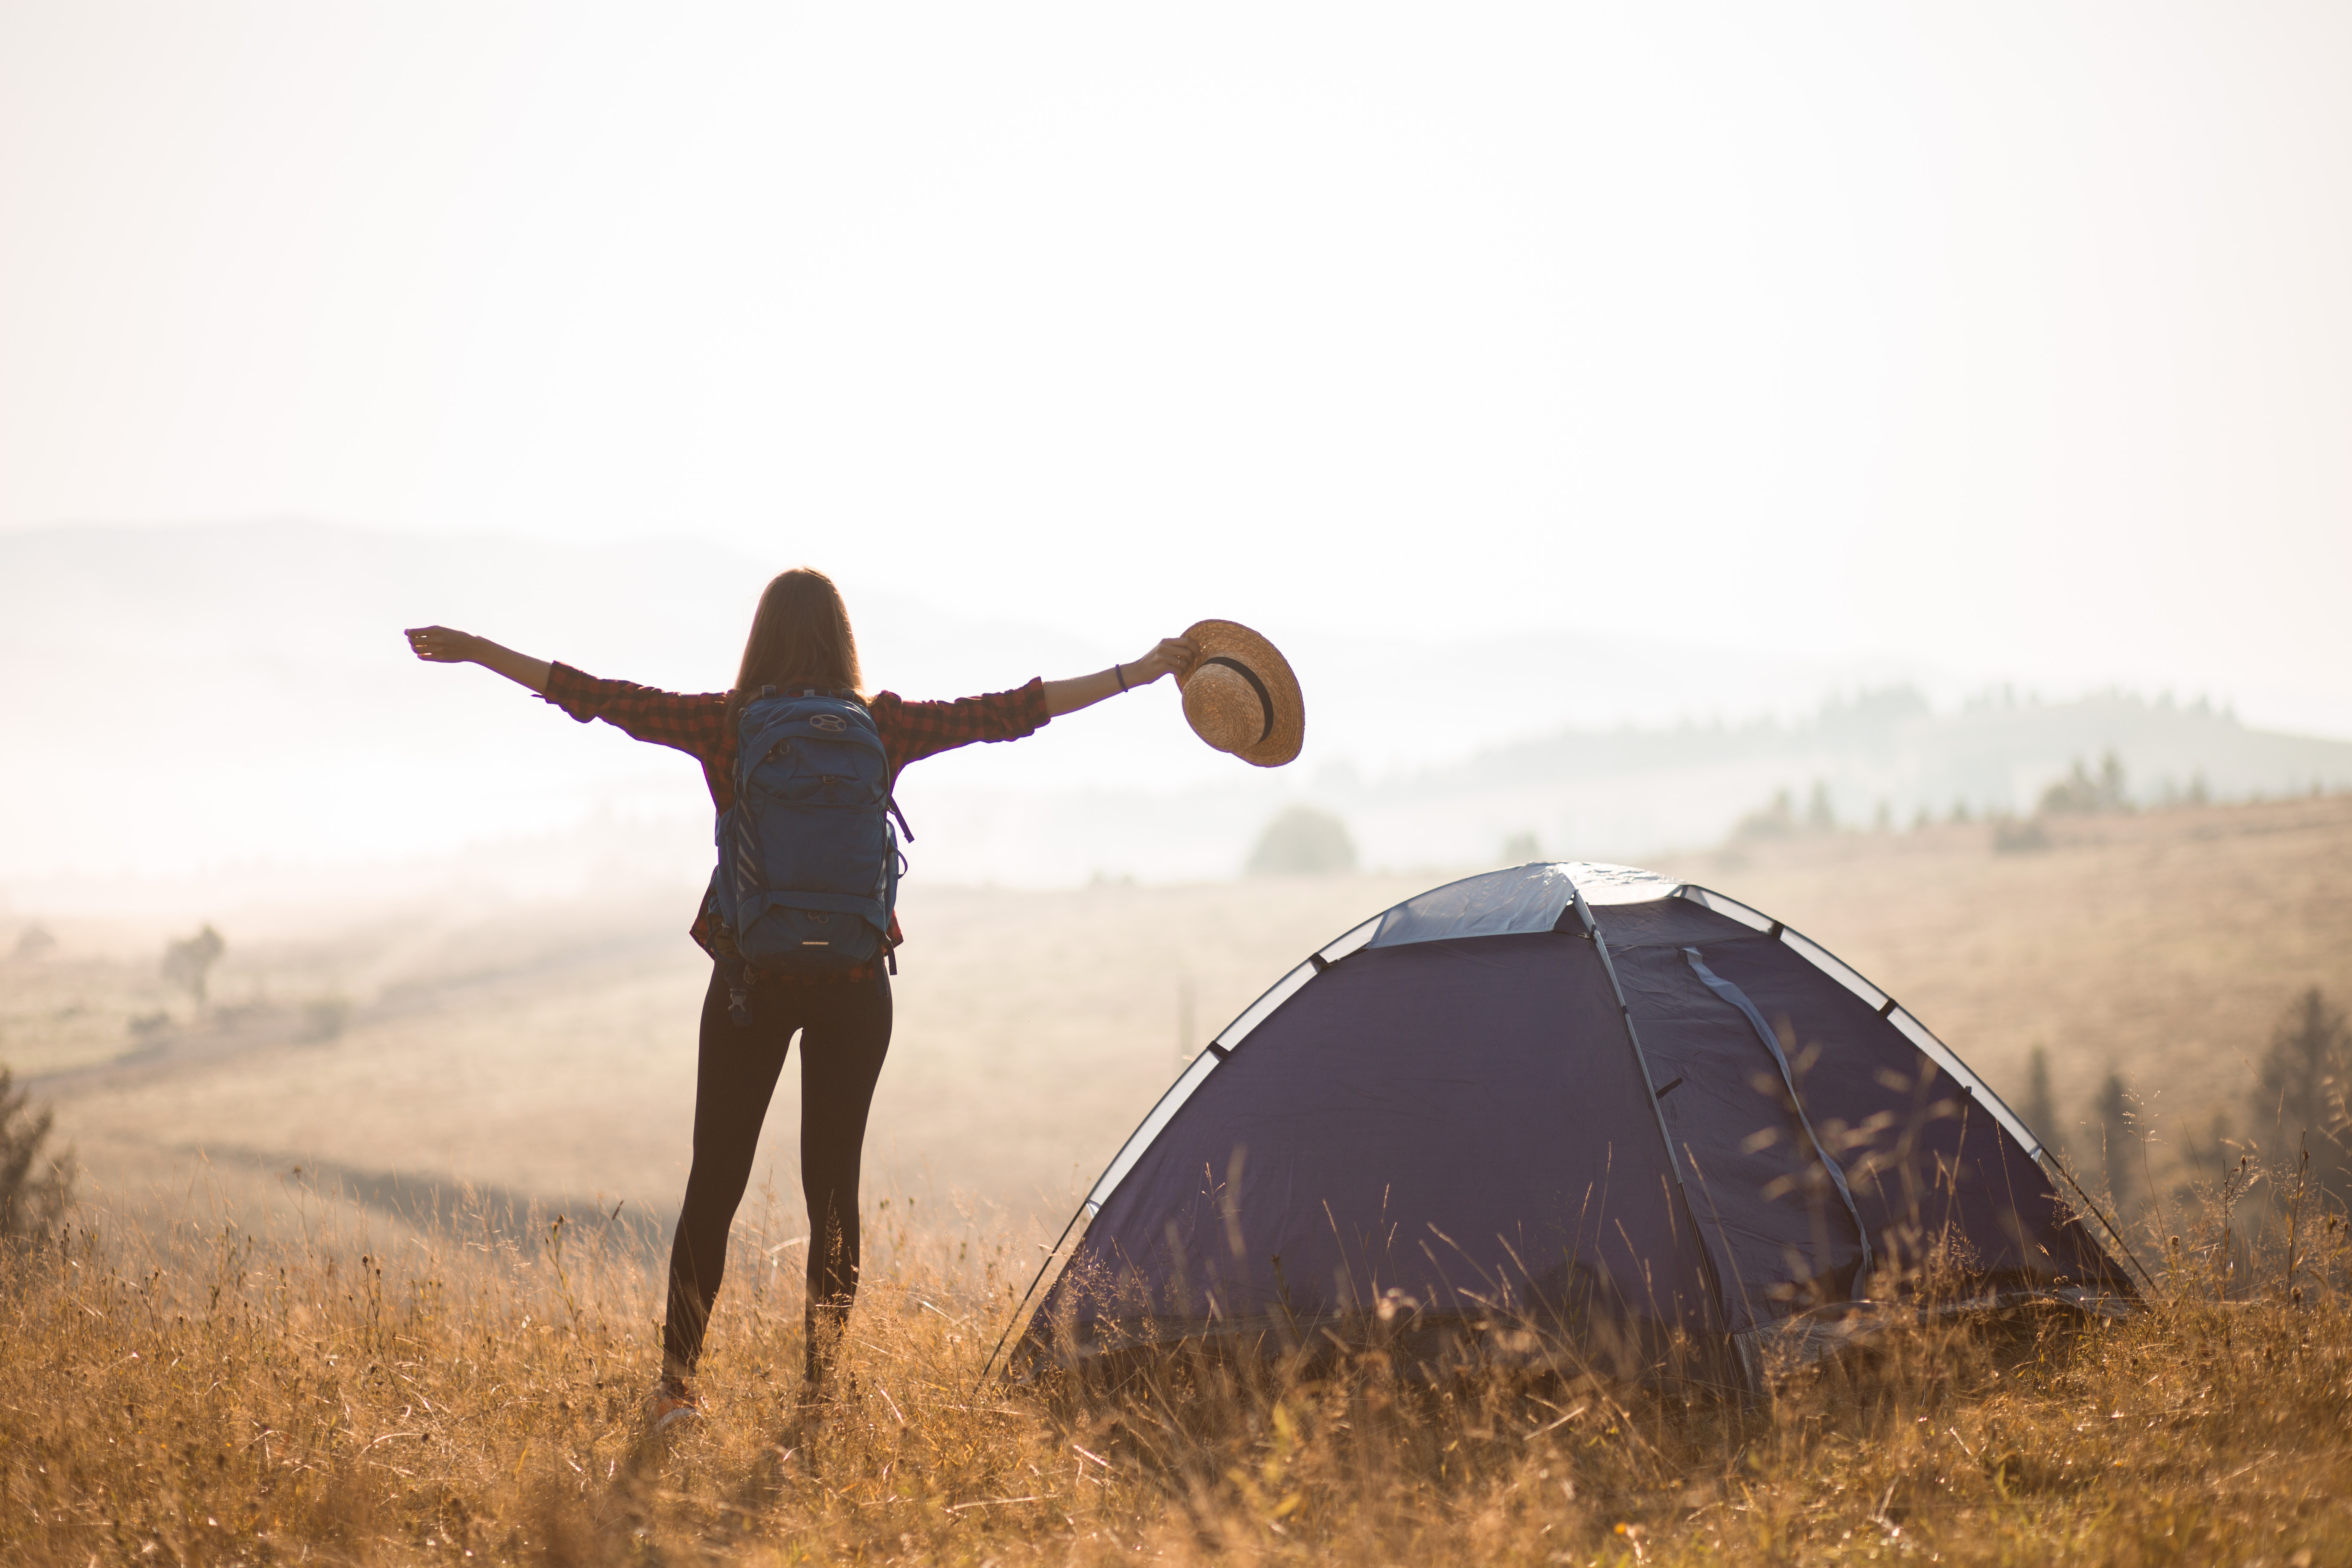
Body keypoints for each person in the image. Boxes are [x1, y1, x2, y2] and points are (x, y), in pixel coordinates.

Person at [405, 568, 1193, 1429]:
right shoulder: (883, 727)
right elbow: (1014, 711)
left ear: (762, 637)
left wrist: (481, 652)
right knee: (833, 1192)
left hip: (752, 980)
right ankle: (818, 1398)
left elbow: (598, 697)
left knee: (717, 1181)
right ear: (843, 638)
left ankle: (677, 1389)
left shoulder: (729, 724)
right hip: (855, 987)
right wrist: (1140, 670)